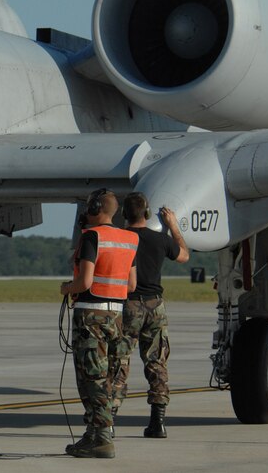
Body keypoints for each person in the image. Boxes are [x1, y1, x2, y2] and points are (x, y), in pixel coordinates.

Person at [60, 188, 138, 459]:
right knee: (107, 375)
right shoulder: (130, 239)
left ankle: (102, 437)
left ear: (95, 208)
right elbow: (131, 284)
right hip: (116, 314)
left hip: (90, 314)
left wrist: (67, 288)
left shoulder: (92, 236)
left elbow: (85, 282)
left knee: (91, 377)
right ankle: (93, 435)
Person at [112, 192, 189, 438]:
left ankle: (109, 420)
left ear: (124, 214)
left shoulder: (121, 239)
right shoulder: (159, 240)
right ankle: (158, 422)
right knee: (157, 362)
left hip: (128, 305)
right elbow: (184, 256)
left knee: (119, 361)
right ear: (146, 213)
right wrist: (173, 227)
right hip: (155, 306)